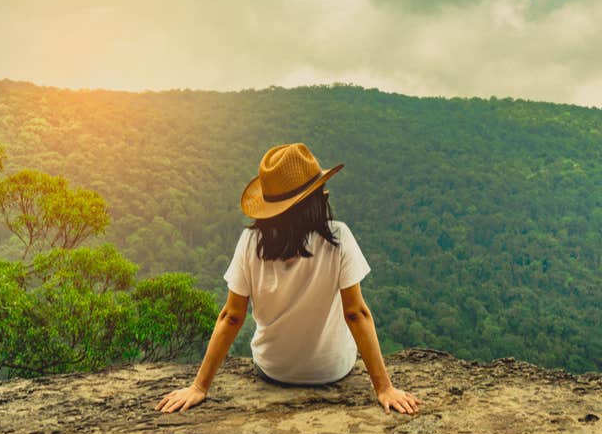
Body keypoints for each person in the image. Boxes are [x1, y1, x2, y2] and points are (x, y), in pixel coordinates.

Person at [156, 142, 422, 415]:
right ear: (316, 200)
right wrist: (384, 388)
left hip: (273, 370)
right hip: (331, 370)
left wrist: (199, 387)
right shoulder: (339, 238)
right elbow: (356, 313)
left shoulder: (251, 242)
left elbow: (231, 317)